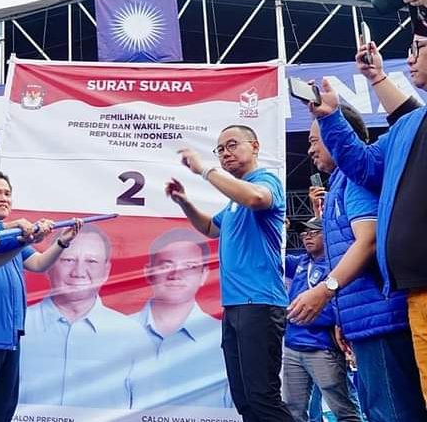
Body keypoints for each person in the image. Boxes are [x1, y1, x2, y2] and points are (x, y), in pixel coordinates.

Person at [308, 6, 427, 405]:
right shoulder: (409, 128)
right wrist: (330, 116)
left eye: (417, 47)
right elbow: (365, 164)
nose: (409, 58)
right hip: (413, 292)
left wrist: (327, 290)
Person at [287, 105, 427, 421]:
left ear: (337, 135)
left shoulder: (356, 180)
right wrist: (341, 317)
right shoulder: (340, 184)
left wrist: (324, 291)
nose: (309, 150)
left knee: (392, 412)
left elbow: (368, 241)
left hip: (381, 319)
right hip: (365, 320)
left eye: (314, 141)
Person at [165, 125, 292, 422]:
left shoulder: (265, 182)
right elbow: (211, 227)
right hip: (235, 306)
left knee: (262, 397)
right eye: (220, 149)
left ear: (255, 146)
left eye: (232, 145)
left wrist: (204, 169)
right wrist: (185, 202)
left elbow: (257, 198)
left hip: (259, 303)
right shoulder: (235, 200)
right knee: (245, 400)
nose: (225, 153)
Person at [0, 171, 81, 422]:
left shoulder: (13, 235)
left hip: (8, 337)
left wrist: (62, 242)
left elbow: (39, 263)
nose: (4, 198)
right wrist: (23, 240)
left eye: (8, 193)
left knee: (1, 413)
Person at [19, 225, 152, 409]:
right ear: (49, 264)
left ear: (106, 270)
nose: (78, 272)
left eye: (91, 261)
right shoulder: (16, 328)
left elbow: (148, 409)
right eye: (68, 259)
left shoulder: (133, 336)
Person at [130, 228, 230, 409]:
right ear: (148, 272)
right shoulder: (117, 331)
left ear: (204, 275)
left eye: (190, 267)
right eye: (166, 265)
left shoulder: (224, 339)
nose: (176, 275)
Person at [282, 217, 361, 422]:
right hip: (292, 347)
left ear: (326, 234)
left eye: (313, 232)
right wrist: (280, 230)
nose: (307, 237)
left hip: (322, 347)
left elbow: (341, 304)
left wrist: (307, 316)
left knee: (343, 409)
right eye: (304, 234)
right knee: (293, 412)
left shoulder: (339, 266)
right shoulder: (301, 262)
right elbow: (275, 256)